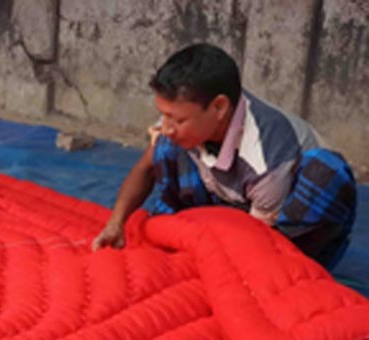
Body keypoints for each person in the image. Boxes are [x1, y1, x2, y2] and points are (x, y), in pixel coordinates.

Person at [91, 43, 357, 269]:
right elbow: (146, 169)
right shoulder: (187, 120)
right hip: (235, 197)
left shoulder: (267, 157)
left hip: (288, 221)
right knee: (165, 144)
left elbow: (258, 242)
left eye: (178, 119)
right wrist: (116, 222)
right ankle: (181, 227)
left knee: (324, 172)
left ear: (219, 107)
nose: (168, 125)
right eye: (165, 114)